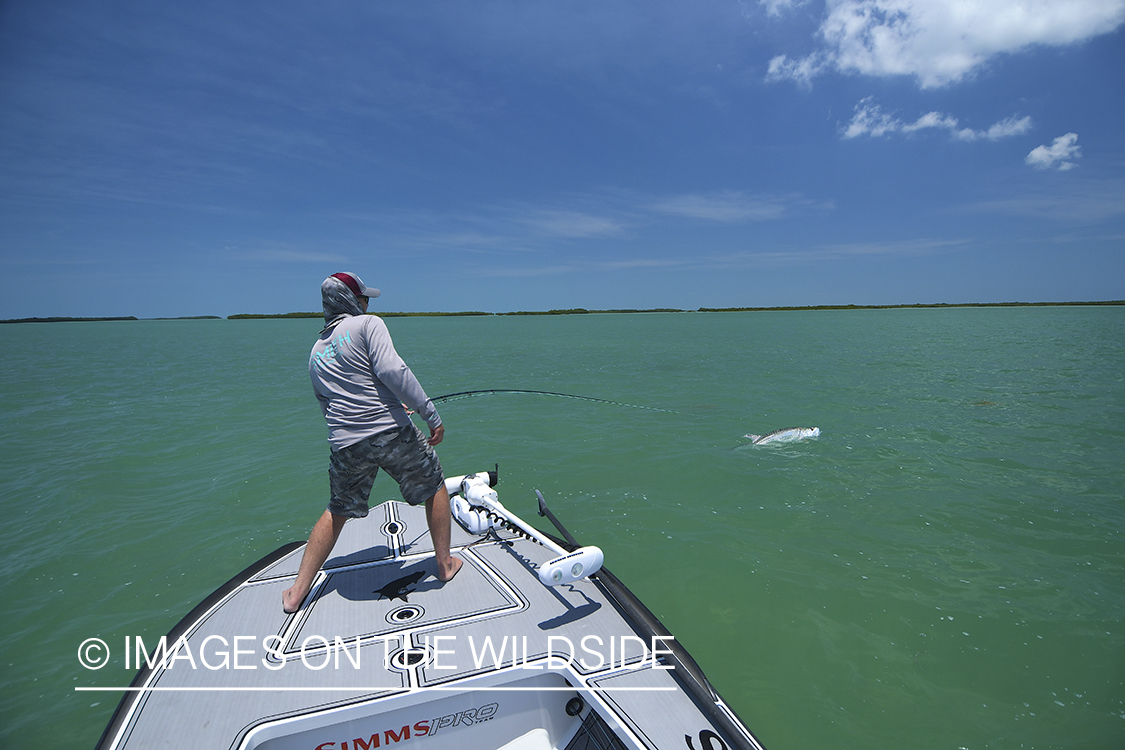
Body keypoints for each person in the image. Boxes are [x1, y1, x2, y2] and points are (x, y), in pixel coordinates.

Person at [282, 272, 462, 614]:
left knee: (337, 510)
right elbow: (393, 371)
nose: (367, 304)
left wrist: (363, 425)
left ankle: (295, 592)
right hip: (390, 432)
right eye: (364, 299)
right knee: (435, 485)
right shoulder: (368, 324)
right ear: (352, 301)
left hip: (344, 443)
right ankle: (445, 564)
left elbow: (330, 404)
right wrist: (429, 414)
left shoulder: (316, 352)